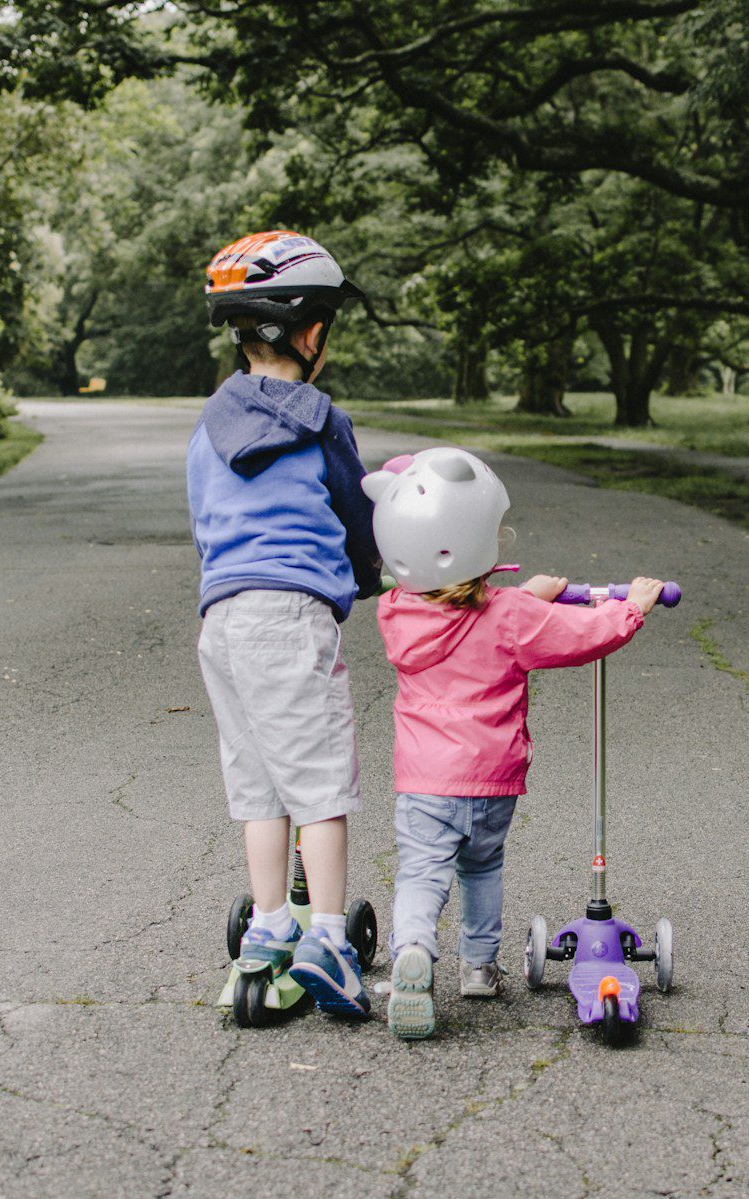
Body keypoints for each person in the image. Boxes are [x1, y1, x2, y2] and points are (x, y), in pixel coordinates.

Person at [360, 448, 665, 1039]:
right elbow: (579, 635)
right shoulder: (510, 616)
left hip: (424, 779)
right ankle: (477, 968)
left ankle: (413, 952)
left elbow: (462, 607)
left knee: (422, 873)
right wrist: (630, 609)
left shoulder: (398, 611)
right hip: (491, 778)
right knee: (482, 867)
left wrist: (528, 594)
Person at [189, 230, 381, 1020]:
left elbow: (204, 518)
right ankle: (329, 936)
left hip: (223, 619)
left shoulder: (208, 425)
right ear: (311, 335)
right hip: (289, 616)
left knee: (258, 783)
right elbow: (358, 511)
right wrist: (373, 577)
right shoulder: (320, 419)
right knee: (320, 782)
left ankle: (269, 925)